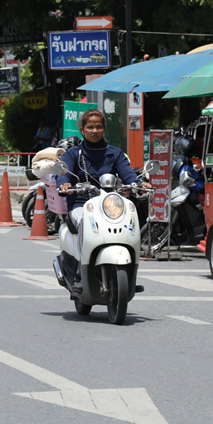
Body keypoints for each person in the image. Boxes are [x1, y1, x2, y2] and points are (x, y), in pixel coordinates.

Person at [56, 110, 150, 290]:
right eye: (90, 127)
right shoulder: (74, 154)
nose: (95, 130)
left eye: (99, 127)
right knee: (85, 223)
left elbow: (127, 172)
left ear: (103, 129)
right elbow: (64, 174)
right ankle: (81, 274)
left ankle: (129, 272)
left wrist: (139, 183)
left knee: (130, 221)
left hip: (109, 205)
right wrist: (65, 185)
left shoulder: (114, 153)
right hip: (80, 204)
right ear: (82, 129)